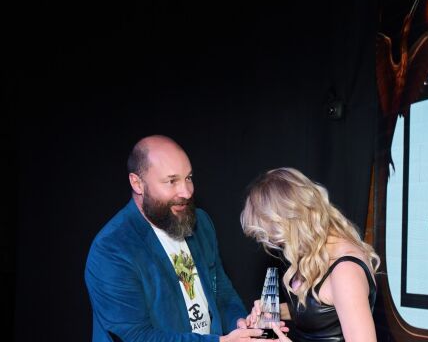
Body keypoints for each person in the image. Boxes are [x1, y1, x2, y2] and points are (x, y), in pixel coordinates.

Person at [85, 135, 265, 341]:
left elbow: (221, 293)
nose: (186, 192)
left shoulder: (200, 223)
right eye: (172, 181)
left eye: (188, 178)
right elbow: (136, 336)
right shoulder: (112, 249)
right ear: (137, 183)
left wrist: (240, 324)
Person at [240, 167, 380, 342]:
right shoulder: (316, 254)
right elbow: (322, 311)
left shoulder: (345, 270)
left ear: (292, 222)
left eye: (276, 236)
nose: (276, 244)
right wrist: (273, 311)